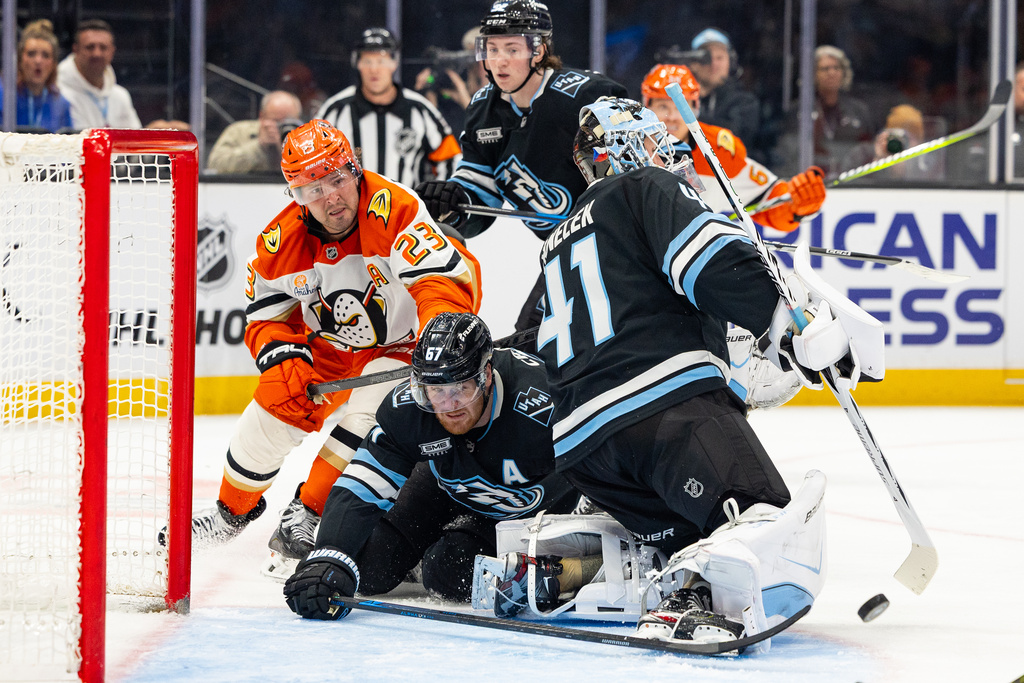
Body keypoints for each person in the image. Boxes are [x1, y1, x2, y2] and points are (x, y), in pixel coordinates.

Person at [532, 97, 884, 645]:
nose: (663, 148)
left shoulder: (555, 243)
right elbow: (712, 261)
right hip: (662, 413)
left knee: (696, 533)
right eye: (648, 139)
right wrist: (791, 327)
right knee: (761, 518)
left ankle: (645, 579)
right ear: (622, 147)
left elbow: (537, 339)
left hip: (582, 451)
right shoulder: (646, 186)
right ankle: (687, 603)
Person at [184, 120, 482, 564]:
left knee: (378, 414)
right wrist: (284, 358)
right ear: (295, 196)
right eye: (311, 190)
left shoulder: (394, 209)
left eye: (336, 179)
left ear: (355, 170)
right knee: (275, 400)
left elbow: (439, 281)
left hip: (399, 346)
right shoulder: (280, 240)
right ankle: (232, 512)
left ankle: (307, 512)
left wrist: (437, 330)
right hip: (327, 349)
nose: (330, 197)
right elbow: (266, 314)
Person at [282, 312, 581, 618]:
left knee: (449, 572)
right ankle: (424, 552)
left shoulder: (543, 405)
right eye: (437, 390)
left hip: (520, 515)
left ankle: (438, 555)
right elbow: (363, 481)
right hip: (444, 483)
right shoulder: (409, 408)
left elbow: (606, 460)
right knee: (366, 567)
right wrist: (329, 556)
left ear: (487, 375)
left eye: (460, 389)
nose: (449, 406)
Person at [414, 0, 628, 333]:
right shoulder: (483, 109)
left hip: (617, 247)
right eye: (492, 48)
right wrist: (453, 201)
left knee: (543, 343)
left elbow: (640, 170)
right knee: (531, 343)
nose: (499, 61)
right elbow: (479, 197)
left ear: (539, 51)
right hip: (564, 254)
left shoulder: (586, 96)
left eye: (512, 49)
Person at [641, 63, 826, 234]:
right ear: (646, 107)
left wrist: (795, 206)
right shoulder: (624, 147)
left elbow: (767, 198)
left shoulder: (717, 150)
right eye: (663, 106)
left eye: (681, 106)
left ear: (696, 108)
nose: (672, 117)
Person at [316, 28, 461, 187]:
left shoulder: (420, 109)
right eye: (367, 61)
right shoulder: (335, 110)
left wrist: (439, 196)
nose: (374, 69)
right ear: (357, 64)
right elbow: (311, 162)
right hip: (352, 211)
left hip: (407, 210)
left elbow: (451, 159)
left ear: (394, 63)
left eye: (381, 61)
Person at [776, 45, 874, 176]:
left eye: (836, 68)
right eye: (825, 69)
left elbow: (868, 148)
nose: (831, 73)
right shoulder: (798, 110)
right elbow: (788, 151)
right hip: (810, 178)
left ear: (844, 73)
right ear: (813, 74)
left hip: (852, 180)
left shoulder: (859, 111)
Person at [56, 19, 142, 129]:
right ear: (75, 50)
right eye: (90, 47)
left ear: (112, 51)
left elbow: (134, 139)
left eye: (103, 47)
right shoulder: (58, 93)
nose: (97, 53)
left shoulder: (121, 96)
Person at [686, 28, 760, 147]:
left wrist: (690, 113)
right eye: (706, 58)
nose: (713, 64)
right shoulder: (681, 99)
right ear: (693, 64)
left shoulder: (745, 102)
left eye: (719, 58)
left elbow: (736, 138)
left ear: (730, 63)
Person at [206, 90, 304, 174]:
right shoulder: (239, 131)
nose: (281, 127)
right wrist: (259, 146)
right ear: (261, 117)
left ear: (298, 119)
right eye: (275, 121)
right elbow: (215, 166)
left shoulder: (308, 138)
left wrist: (286, 151)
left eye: (288, 121)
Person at [0, 19, 72, 132]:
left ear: (53, 64)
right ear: (20, 59)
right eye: (31, 54)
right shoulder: (3, 94)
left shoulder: (61, 104)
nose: (38, 61)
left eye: (46, 55)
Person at [843, 103, 940, 180]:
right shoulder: (862, 154)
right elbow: (847, 186)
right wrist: (877, 163)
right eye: (896, 136)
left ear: (920, 141)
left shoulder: (926, 161)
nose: (901, 143)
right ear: (886, 134)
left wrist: (903, 170)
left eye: (908, 138)